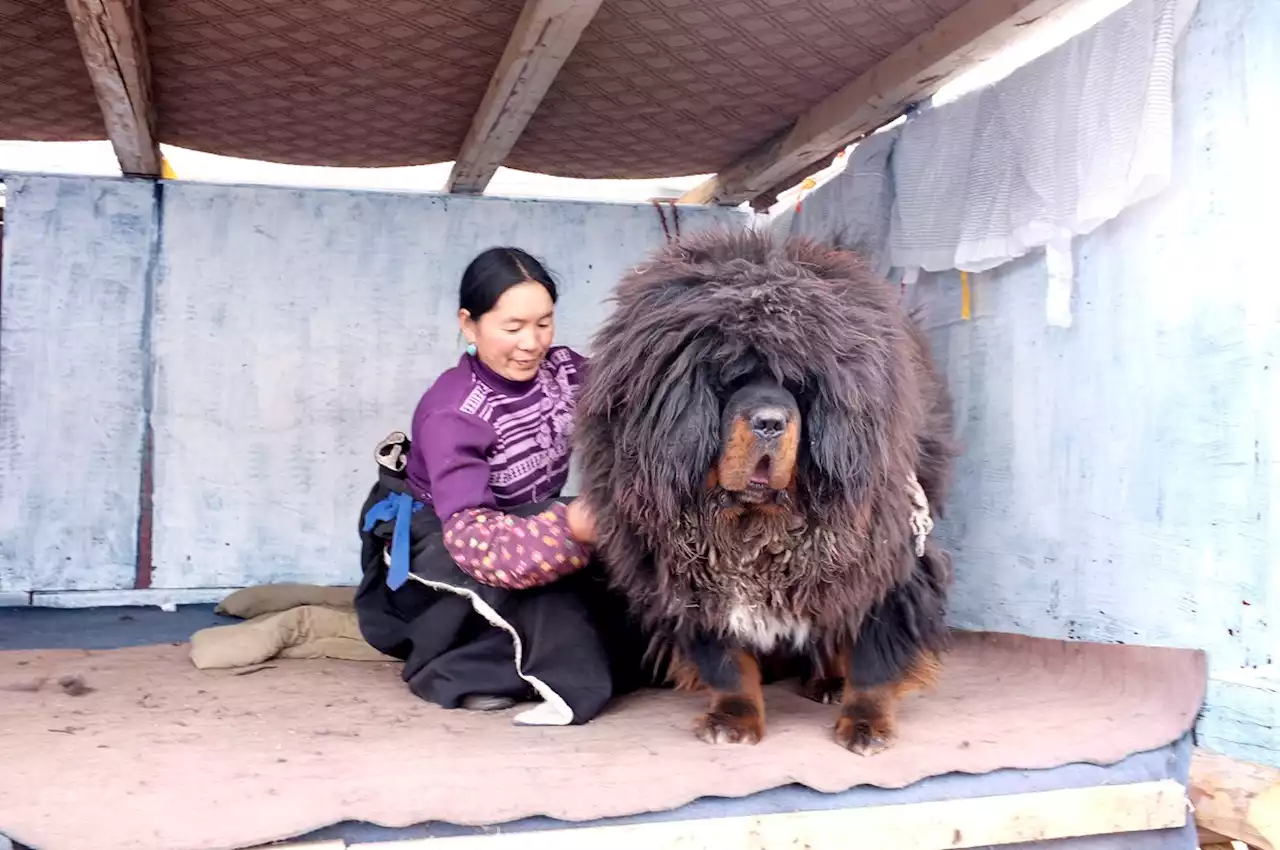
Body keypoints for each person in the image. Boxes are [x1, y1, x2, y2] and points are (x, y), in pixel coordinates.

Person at [354, 247, 650, 727]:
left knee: (635, 588)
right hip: (447, 538)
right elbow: (477, 540)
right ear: (469, 325)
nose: (531, 343)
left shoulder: (567, 372)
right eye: (512, 328)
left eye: (544, 323)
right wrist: (573, 527)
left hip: (530, 518)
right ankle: (454, 669)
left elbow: (642, 393)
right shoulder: (454, 411)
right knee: (554, 606)